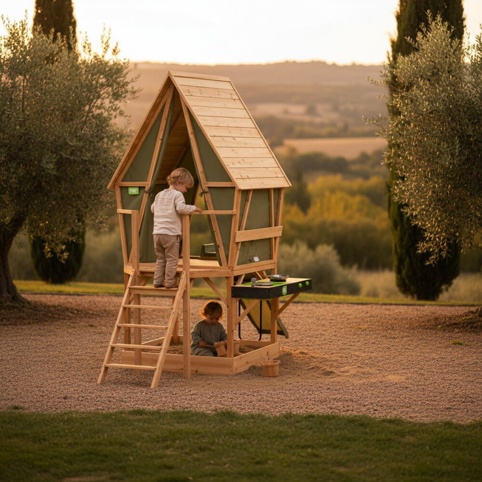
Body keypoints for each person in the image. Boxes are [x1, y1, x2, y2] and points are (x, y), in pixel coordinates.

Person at [151, 167, 202, 288]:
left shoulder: (159, 194)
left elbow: (153, 209)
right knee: (172, 259)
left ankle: (157, 281)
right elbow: (181, 208)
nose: (185, 191)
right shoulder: (177, 195)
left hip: (157, 233)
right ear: (179, 183)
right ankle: (169, 282)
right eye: (186, 187)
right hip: (171, 234)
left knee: (160, 258)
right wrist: (194, 208)